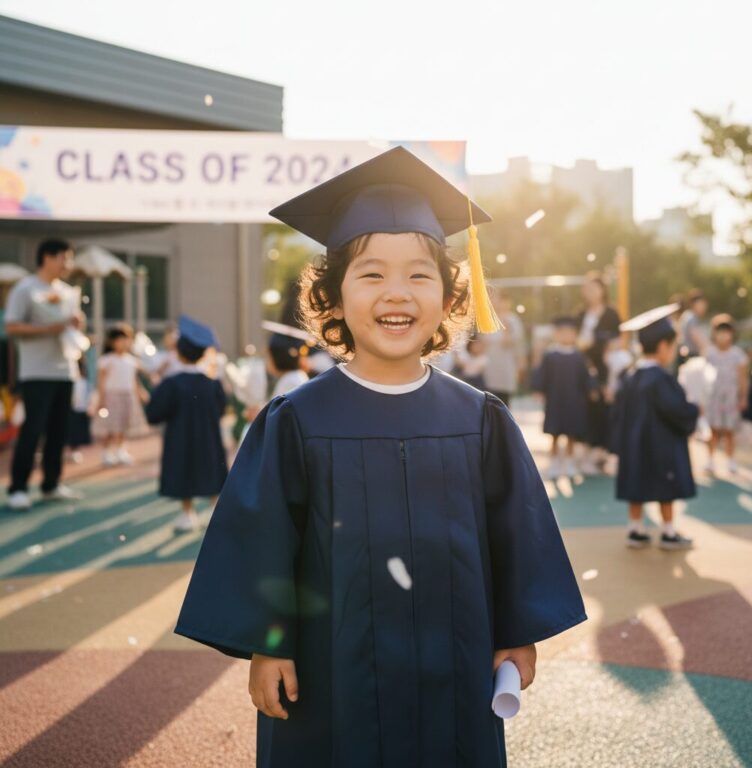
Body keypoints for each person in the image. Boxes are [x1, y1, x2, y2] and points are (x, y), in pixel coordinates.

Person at [173, 147, 586, 768]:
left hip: (456, 662)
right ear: (333, 298)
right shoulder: (297, 421)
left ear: (449, 299)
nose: (397, 292)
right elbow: (261, 540)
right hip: (329, 673)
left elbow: (514, 538)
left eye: (420, 275)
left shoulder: (479, 421)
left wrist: (514, 632)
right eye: (371, 274)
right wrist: (269, 644)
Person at [4, 238, 84, 509]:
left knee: (59, 431)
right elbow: (12, 327)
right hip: (36, 372)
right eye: (65, 258)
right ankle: (18, 487)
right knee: (33, 429)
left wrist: (75, 325)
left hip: (66, 371)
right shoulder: (25, 289)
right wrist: (47, 330)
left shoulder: (67, 291)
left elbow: (71, 329)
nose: (68, 264)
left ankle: (51, 484)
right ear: (47, 258)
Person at [613, 305, 698, 550]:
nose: (674, 352)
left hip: (634, 444)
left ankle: (636, 528)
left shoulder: (630, 376)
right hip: (661, 445)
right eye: (673, 347)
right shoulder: (661, 379)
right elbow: (675, 410)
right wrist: (693, 410)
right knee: (666, 488)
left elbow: (618, 412)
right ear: (663, 346)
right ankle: (669, 531)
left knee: (636, 485)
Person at [145, 316, 228, 533]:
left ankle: (187, 513)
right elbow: (221, 410)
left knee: (183, 468)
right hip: (208, 436)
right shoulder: (212, 384)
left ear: (178, 354)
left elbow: (154, 414)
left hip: (179, 436)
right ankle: (213, 507)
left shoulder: (171, 384)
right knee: (211, 465)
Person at [533, 317, 591, 479]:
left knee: (571, 433)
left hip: (574, 400)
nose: (566, 336)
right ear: (557, 334)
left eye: (570, 333)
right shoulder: (550, 355)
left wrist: (590, 390)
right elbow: (542, 374)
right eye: (563, 333)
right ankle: (554, 463)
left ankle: (570, 463)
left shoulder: (578, 356)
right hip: (555, 399)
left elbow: (585, 377)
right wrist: (538, 389)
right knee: (555, 432)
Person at [576, 273, 621, 471]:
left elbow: (619, 338)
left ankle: (602, 451)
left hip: (604, 366)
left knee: (603, 407)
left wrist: (608, 349)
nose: (591, 292)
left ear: (603, 290)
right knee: (585, 407)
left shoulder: (611, 314)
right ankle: (586, 449)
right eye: (587, 288)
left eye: (594, 288)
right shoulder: (580, 314)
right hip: (583, 366)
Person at [96, 324, 146, 466]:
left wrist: (140, 392)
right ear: (112, 342)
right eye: (120, 339)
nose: (124, 342)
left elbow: (134, 379)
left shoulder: (131, 360)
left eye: (126, 339)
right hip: (112, 396)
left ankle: (120, 450)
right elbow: (101, 382)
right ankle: (106, 452)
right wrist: (101, 400)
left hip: (128, 396)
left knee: (124, 425)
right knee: (111, 426)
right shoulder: (107, 360)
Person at [704, 314, 748, 473]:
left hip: (730, 398)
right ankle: (710, 460)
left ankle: (730, 460)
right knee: (712, 430)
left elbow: (743, 378)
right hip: (713, 398)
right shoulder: (709, 353)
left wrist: (743, 397)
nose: (723, 335)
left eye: (726, 331)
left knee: (729, 431)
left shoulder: (737, 354)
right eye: (720, 331)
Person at [482, 294, 527, 406]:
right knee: (489, 396)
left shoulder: (513, 320)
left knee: (505, 398)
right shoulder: (488, 318)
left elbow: (515, 343)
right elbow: (483, 342)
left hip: (507, 363)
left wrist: (506, 330)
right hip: (490, 363)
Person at [678, 289, 709, 362]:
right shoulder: (691, 317)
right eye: (702, 303)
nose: (704, 307)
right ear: (694, 304)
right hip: (690, 356)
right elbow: (698, 339)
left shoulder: (687, 315)